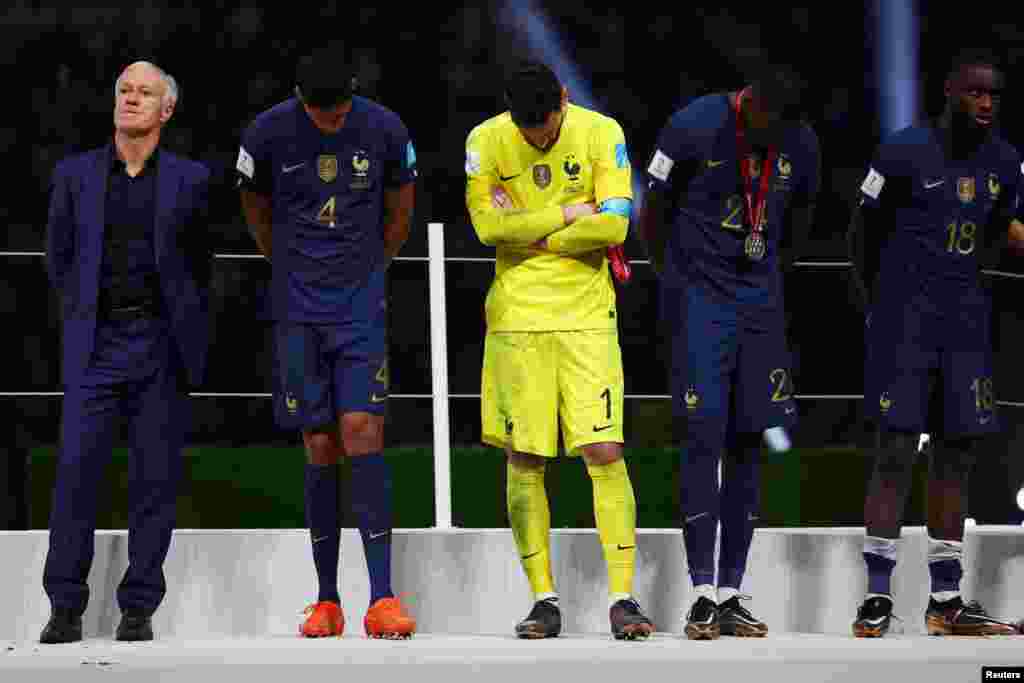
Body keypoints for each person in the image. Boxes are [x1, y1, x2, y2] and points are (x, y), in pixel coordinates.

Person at [465, 60, 654, 640]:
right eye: (529, 132)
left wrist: (532, 230)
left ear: (564, 101)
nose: (538, 139)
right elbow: (483, 227)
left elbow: (616, 225)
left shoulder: (602, 132)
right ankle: (543, 600)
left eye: (545, 128)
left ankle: (623, 598)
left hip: (585, 319)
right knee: (524, 457)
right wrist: (570, 213)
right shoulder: (486, 139)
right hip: (517, 320)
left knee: (604, 449)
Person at [237, 42, 416, 639]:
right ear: (300, 101)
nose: (335, 122)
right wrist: (289, 265)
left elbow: (400, 211)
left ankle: (384, 597)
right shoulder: (266, 135)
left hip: (359, 305)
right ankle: (327, 599)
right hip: (297, 308)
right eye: (324, 115)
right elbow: (254, 208)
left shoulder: (385, 128)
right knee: (318, 442)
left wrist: (366, 271)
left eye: (341, 112)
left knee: (362, 429)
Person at [637, 63, 820, 640]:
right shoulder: (692, 125)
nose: (777, 137)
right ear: (749, 105)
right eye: (769, 124)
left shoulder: (800, 139)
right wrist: (677, 283)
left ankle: (734, 590)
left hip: (760, 306)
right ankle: (699, 592)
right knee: (702, 433)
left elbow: (805, 218)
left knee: (749, 439)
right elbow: (653, 214)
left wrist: (769, 279)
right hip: (701, 303)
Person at [848, 48, 1024, 638]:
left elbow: (999, 235)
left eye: (994, 95)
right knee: (895, 450)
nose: (986, 104)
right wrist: (880, 307)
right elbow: (862, 235)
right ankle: (876, 598)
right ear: (950, 91)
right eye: (976, 92)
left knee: (957, 453)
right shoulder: (902, 149)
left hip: (967, 326)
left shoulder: (1006, 161)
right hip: (904, 323)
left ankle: (945, 601)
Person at [41, 61, 212, 643]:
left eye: (144, 93)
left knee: (154, 480)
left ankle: (138, 607)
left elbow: (200, 266)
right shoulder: (75, 175)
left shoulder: (190, 180)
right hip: (95, 345)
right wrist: (81, 318)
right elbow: (59, 257)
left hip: (160, 347)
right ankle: (65, 608)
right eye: (123, 90)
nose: (130, 99)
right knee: (74, 477)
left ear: (167, 110)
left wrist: (182, 332)